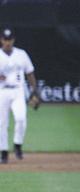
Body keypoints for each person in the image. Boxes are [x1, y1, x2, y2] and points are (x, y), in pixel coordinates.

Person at [0, 28, 39, 164]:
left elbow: (30, 72)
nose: (7, 42)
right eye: (5, 39)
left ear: (13, 40)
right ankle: (3, 152)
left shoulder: (21, 54)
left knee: (21, 118)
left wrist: (35, 91)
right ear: (1, 40)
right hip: (2, 92)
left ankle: (17, 145)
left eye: (9, 39)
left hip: (18, 91)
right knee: (1, 123)